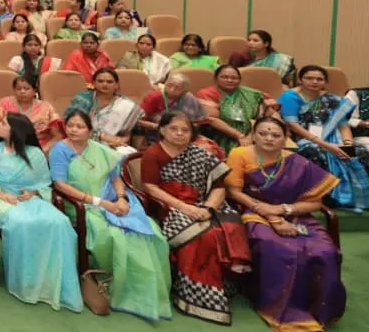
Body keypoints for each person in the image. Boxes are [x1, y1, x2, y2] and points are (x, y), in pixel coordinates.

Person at [225, 117, 347, 332]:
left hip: (295, 215)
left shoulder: (296, 161)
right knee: (278, 247)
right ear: (253, 135)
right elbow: (233, 192)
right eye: (263, 133)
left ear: (285, 139)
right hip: (253, 212)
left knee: (324, 250)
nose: (269, 138)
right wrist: (269, 214)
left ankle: (318, 308)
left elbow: (315, 202)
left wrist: (283, 210)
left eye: (275, 135)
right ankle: (275, 304)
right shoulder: (239, 154)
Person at [49, 110, 172, 321]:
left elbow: (115, 178)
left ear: (90, 131)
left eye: (80, 126)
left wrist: (122, 198)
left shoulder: (100, 150)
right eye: (70, 126)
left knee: (149, 231)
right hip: (81, 204)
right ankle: (113, 288)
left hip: (112, 199)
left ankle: (142, 292)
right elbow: (60, 184)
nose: (74, 130)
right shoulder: (60, 150)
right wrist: (99, 202)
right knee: (114, 236)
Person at [141, 110, 251, 324]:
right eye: (174, 129)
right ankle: (193, 292)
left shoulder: (200, 153)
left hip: (204, 204)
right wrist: (185, 207)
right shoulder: (153, 154)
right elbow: (151, 188)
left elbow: (219, 187)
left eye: (185, 130)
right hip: (172, 207)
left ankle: (224, 285)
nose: (180, 133)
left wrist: (209, 208)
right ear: (162, 130)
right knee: (204, 236)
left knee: (227, 227)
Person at [0, 113, 83, 311]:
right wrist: (0, 194)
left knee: (59, 222)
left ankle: (53, 280)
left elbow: (43, 183)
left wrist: (33, 193)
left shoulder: (34, 153)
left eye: (4, 123)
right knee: (22, 223)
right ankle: (27, 281)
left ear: (16, 131)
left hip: (29, 198)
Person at [278, 64, 368, 212]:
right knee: (315, 152)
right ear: (300, 80)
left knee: (359, 152)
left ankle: (353, 199)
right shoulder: (290, 97)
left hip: (333, 140)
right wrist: (327, 145)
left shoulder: (332, 100)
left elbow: (343, 125)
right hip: (301, 140)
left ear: (325, 82)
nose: (314, 82)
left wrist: (347, 144)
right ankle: (325, 198)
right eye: (309, 78)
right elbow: (293, 126)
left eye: (319, 79)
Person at [197, 64, 269, 155]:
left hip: (252, 132)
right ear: (216, 78)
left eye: (234, 78)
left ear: (240, 80)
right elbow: (211, 119)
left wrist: (252, 134)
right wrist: (239, 136)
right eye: (224, 77)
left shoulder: (250, 93)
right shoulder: (205, 93)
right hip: (219, 134)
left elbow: (270, 108)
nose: (229, 80)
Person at [66, 67, 141, 153]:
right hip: (85, 141)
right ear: (94, 83)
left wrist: (120, 140)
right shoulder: (83, 99)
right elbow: (72, 126)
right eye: (100, 81)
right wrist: (102, 137)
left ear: (116, 85)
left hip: (115, 144)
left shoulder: (126, 104)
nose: (105, 84)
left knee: (128, 154)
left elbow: (128, 131)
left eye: (109, 82)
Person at [0, 75, 63, 147]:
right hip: (9, 144)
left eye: (27, 88)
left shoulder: (46, 107)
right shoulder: (5, 103)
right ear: (14, 90)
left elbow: (58, 135)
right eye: (18, 89)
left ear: (34, 90)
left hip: (39, 146)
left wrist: (42, 151)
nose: (22, 91)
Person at [228, 30, 297, 87]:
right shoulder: (240, 56)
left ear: (266, 44)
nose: (250, 43)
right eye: (249, 40)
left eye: (255, 40)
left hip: (272, 89)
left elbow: (291, 80)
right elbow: (230, 76)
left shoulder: (280, 59)